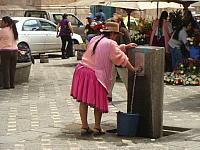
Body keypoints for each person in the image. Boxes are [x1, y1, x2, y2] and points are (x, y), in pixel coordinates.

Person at [70, 22, 142, 136]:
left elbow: (107, 50)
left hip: (82, 70)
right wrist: (133, 69)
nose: (117, 37)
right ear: (112, 33)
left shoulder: (95, 39)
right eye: (117, 35)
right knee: (98, 101)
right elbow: (121, 58)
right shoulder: (111, 43)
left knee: (83, 101)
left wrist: (125, 47)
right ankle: (97, 127)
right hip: (95, 74)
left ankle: (84, 126)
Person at [107, 14, 131, 102]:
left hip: (120, 57)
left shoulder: (123, 31)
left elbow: (128, 43)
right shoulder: (113, 31)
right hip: (112, 57)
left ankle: (130, 94)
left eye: (115, 21)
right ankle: (109, 94)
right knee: (111, 76)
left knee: (125, 77)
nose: (113, 23)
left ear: (119, 22)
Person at [0, 16, 18, 89]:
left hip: (5, 51)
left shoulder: (2, 31)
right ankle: (12, 84)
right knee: (12, 69)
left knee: (5, 68)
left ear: (6, 23)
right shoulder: (13, 30)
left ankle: (6, 85)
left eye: (2, 22)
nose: (0, 23)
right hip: (15, 51)